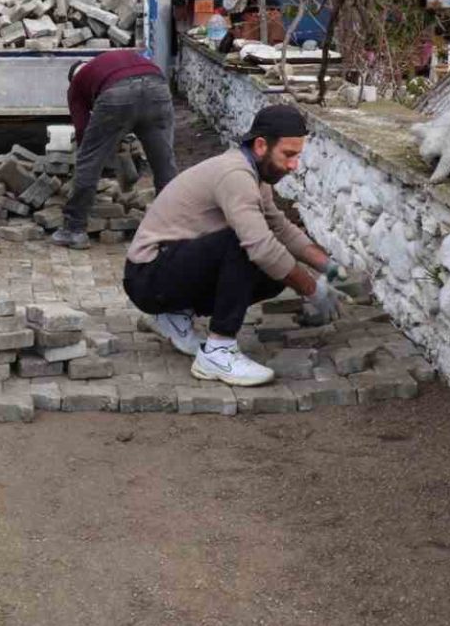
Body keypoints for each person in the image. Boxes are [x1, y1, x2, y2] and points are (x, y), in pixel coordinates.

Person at [122, 104, 347, 387]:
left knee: (273, 276)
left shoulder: (254, 174)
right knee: (244, 244)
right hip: (147, 276)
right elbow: (261, 246)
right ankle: (218, 351)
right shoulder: (235, 175)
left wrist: (330, 268)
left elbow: (281, 228)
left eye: (297, 156)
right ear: (261, 145)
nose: (294, 165)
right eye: (288, 155)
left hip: (166, 270)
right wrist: (312, 290)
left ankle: (174, 315)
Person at [51, 50, 179, 250]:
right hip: (158, 88)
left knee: (88, 160)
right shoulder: (108, 61)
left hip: (117, 94)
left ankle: (74, 230)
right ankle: (171, 234)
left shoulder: (77, 84)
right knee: (164, 163)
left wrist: (100, 151)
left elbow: (83, 131)